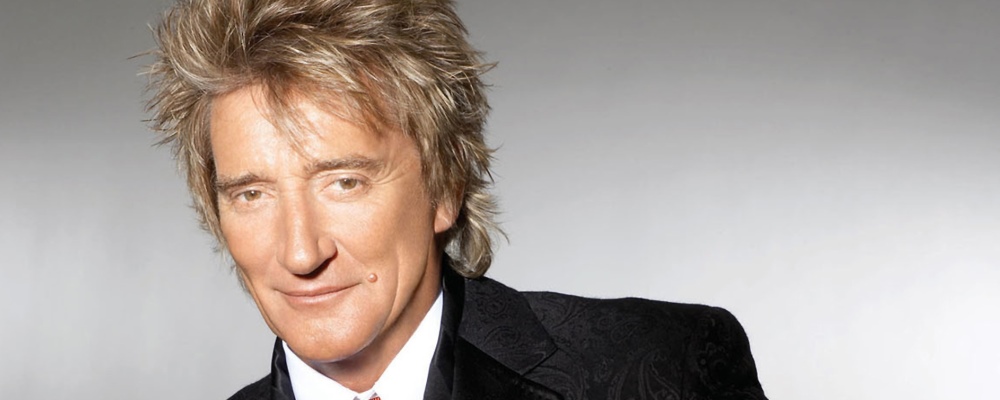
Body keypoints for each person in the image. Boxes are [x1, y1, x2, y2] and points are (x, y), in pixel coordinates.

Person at [145, 0, 768, 399]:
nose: (301, 253)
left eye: (344, 182)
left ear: (444, 185)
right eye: (252, 194)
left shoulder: (665, 368)